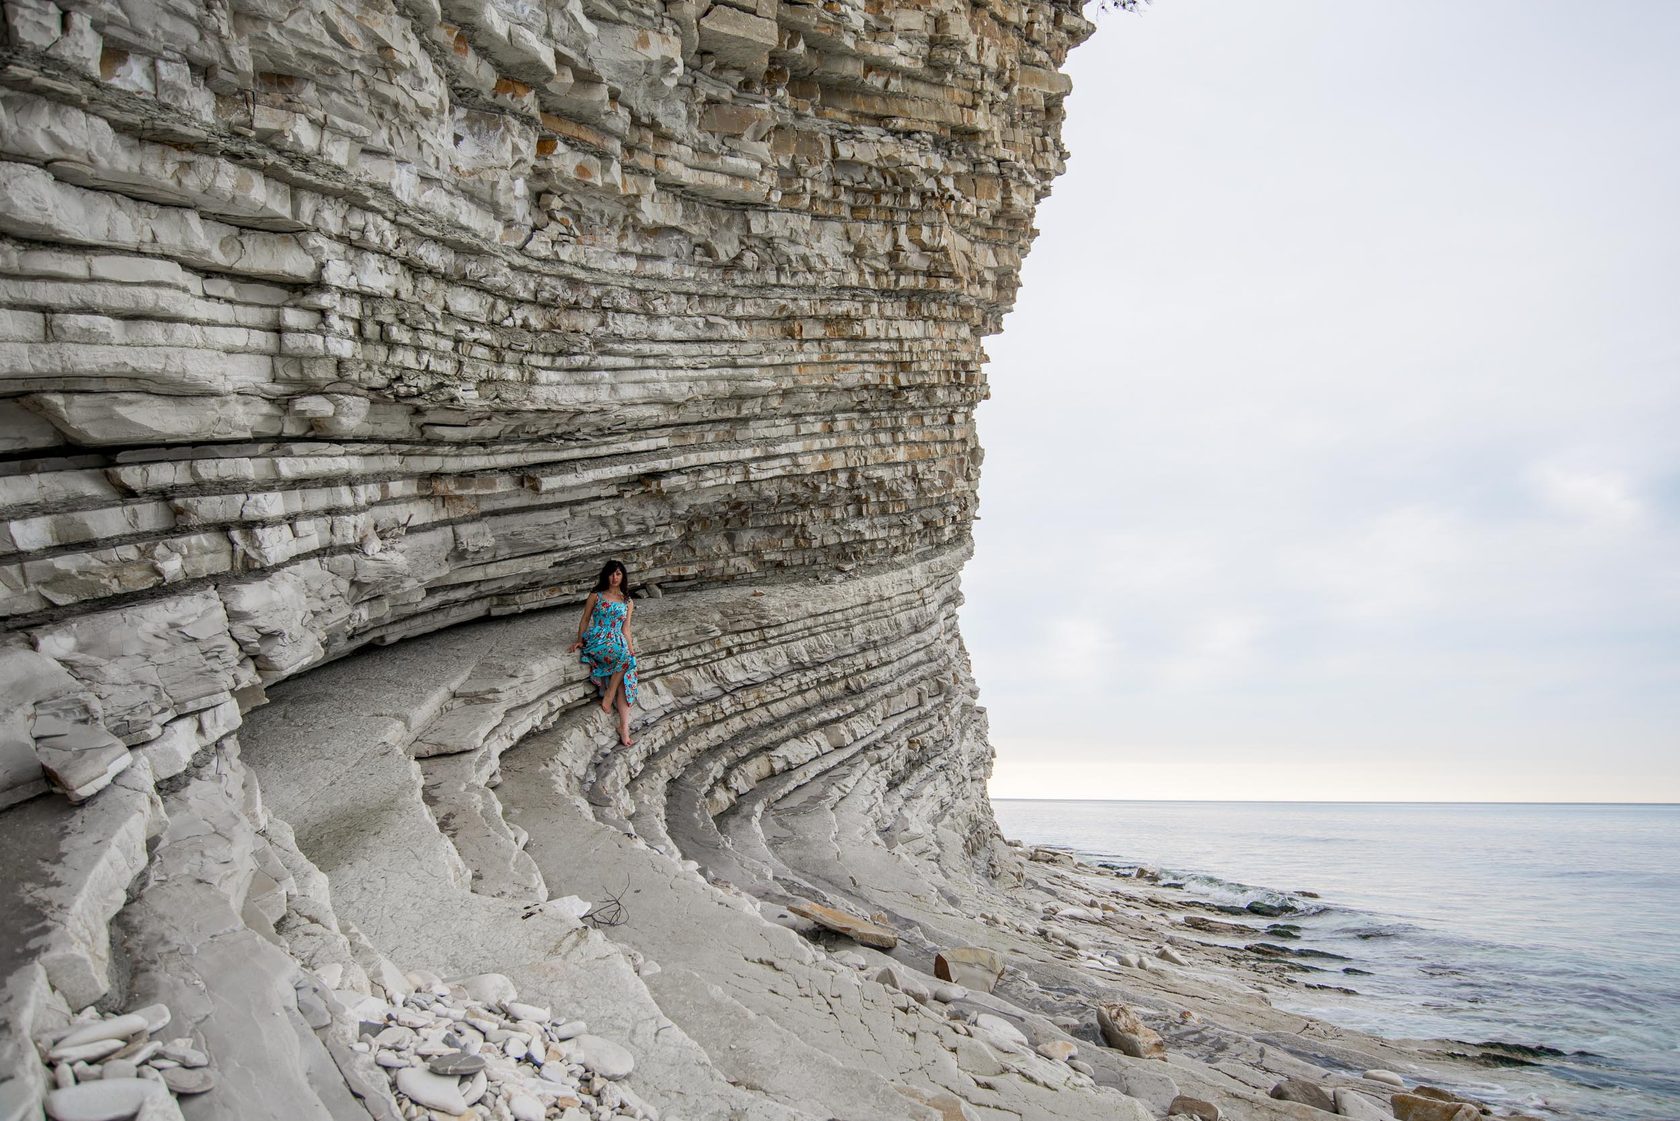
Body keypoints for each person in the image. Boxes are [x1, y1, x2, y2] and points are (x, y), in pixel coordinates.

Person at [569, 560, 638, 747]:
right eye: (611, 574)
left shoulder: (627, 601)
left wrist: (630, 648)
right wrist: (580, 640)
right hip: (598, 637)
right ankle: (609, 694)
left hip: (618, 640)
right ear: (605, 575)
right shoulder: (596, 595)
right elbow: (584, 620)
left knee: (628, 673)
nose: (614, 578)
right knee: (625, 660)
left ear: (623, 576)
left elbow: (626, 629)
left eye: (618, 574)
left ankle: (624, 727)